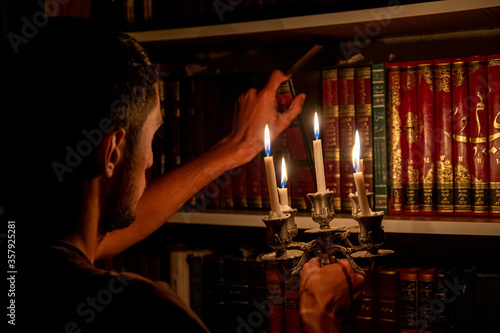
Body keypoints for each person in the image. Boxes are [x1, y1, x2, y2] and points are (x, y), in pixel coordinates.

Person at [1, 17, 305, 332]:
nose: (149, 161)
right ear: (112, 151)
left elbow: (101, 234)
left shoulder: (19, 249)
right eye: (152, 137)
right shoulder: (142, 310)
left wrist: (236, 148)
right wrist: (322, 319)